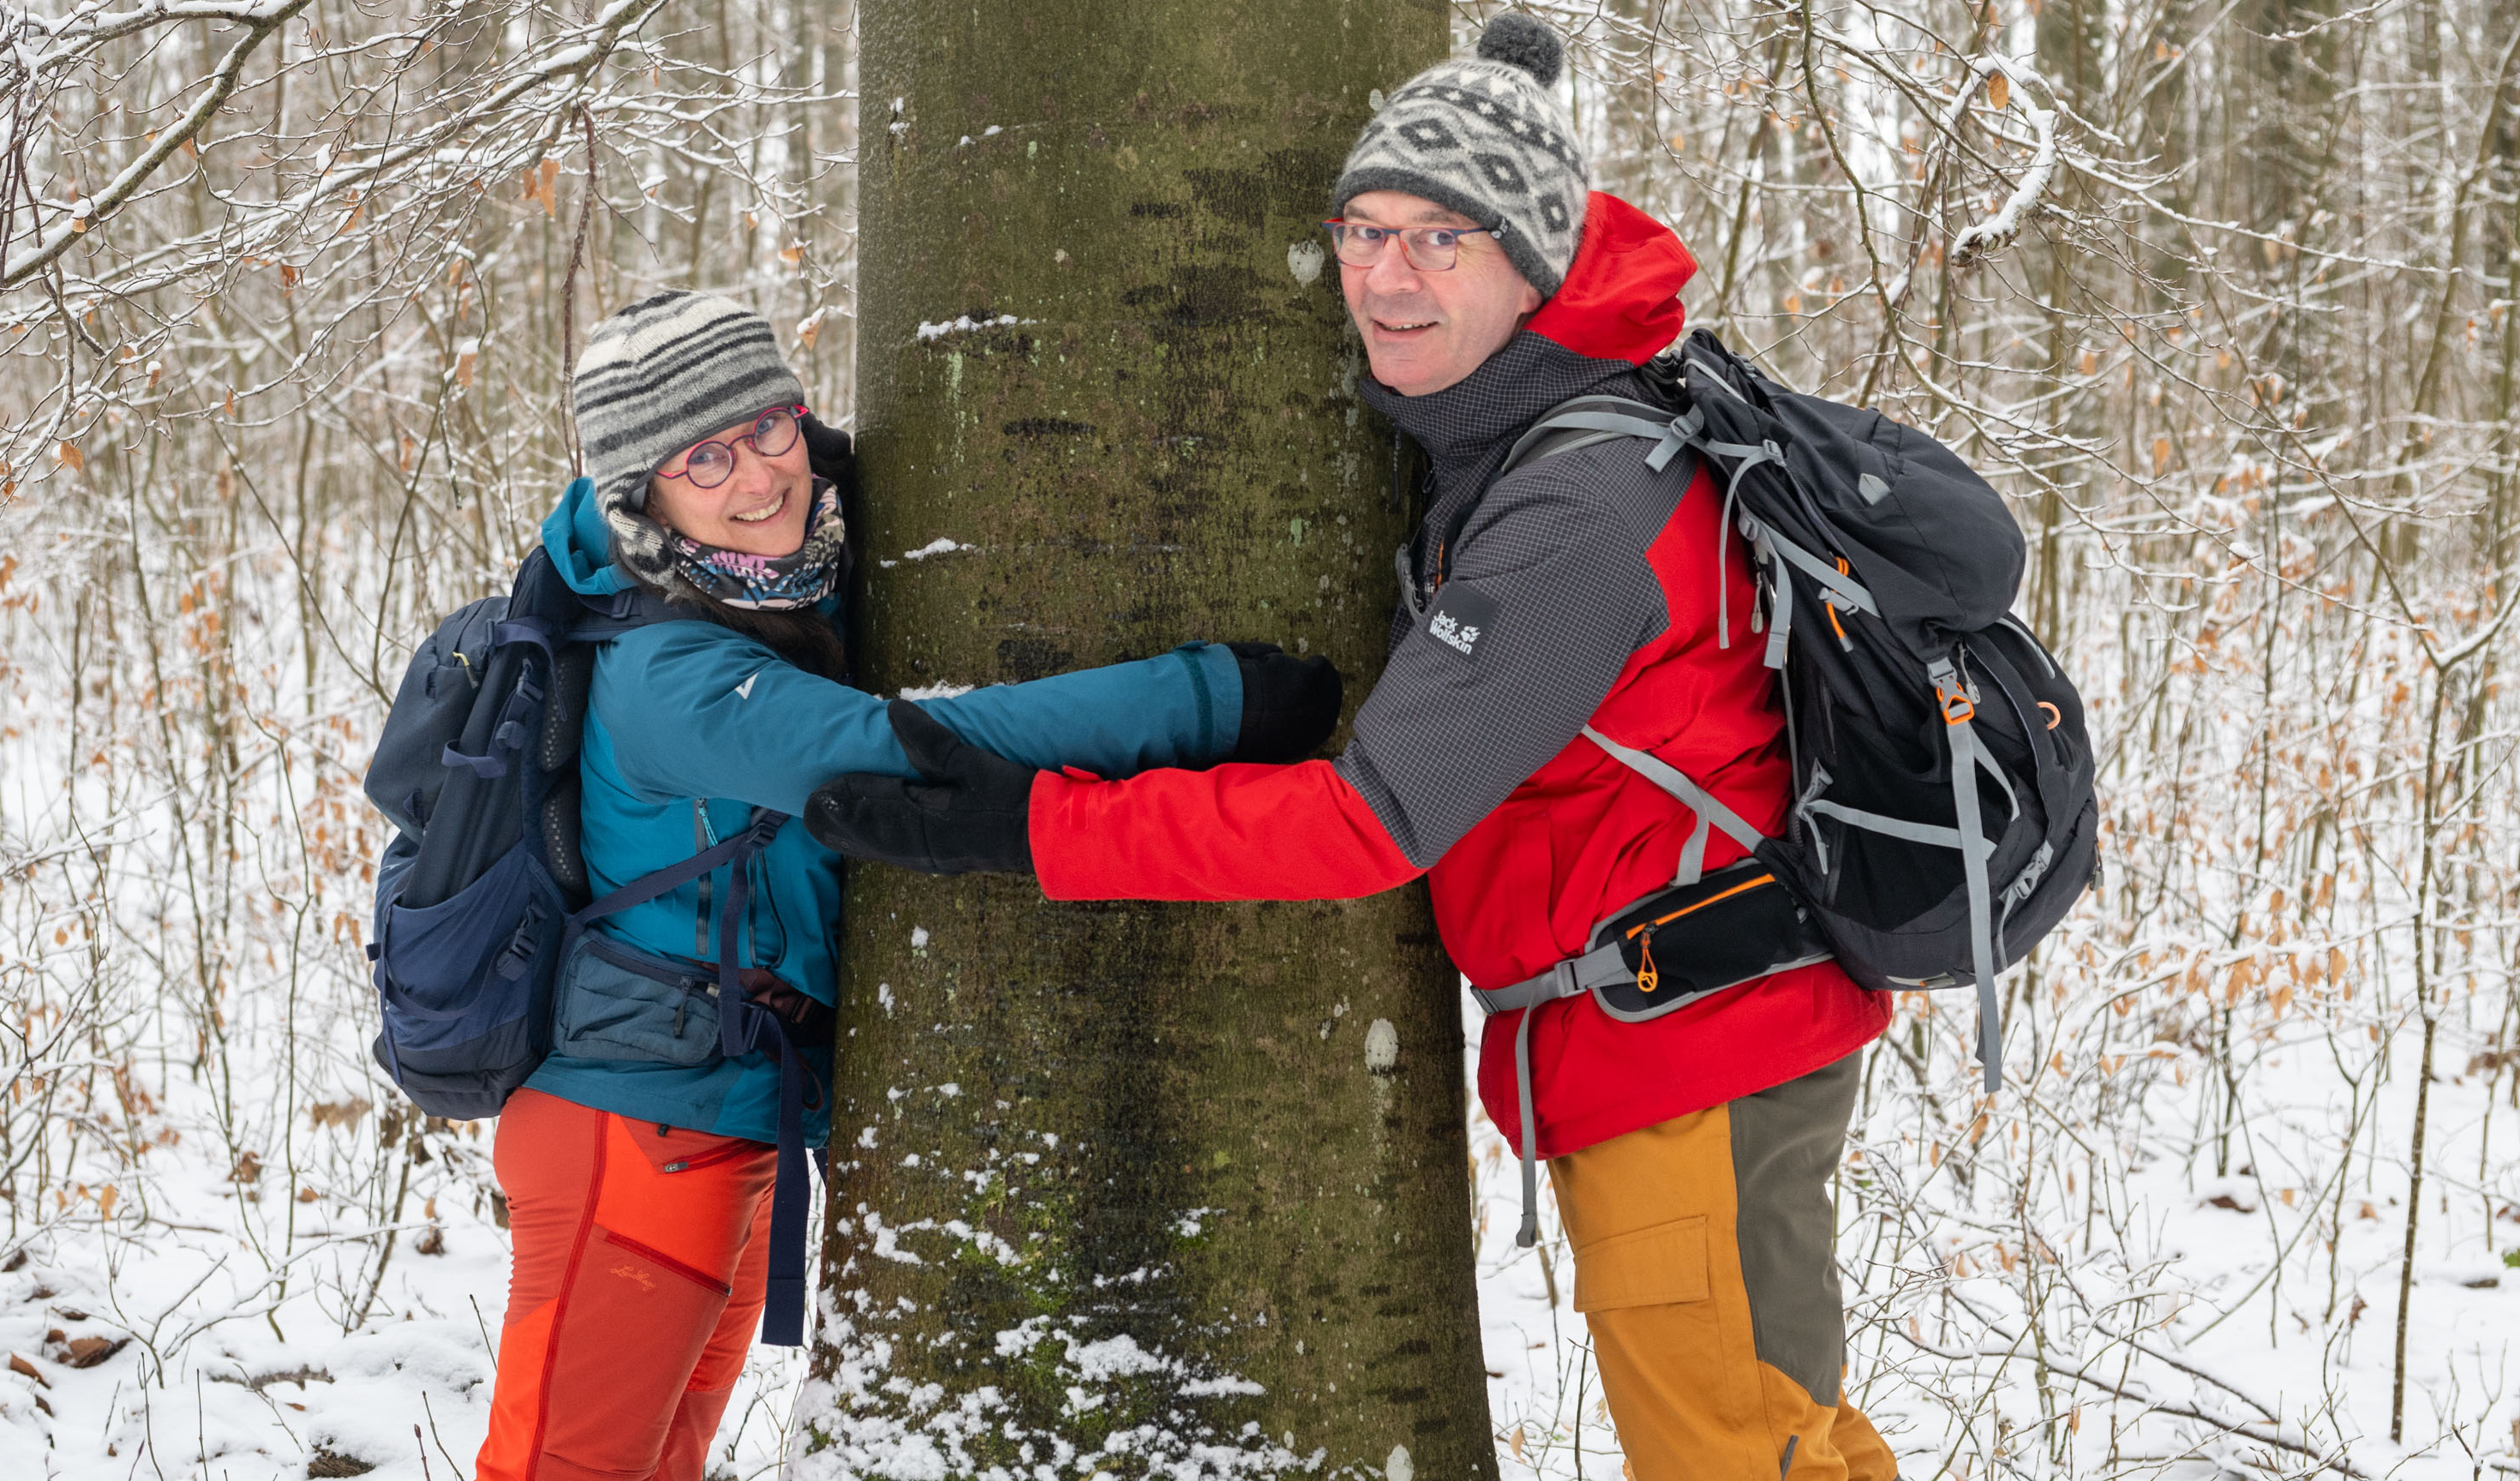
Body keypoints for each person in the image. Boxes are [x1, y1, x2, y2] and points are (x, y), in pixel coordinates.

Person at [804, 17, 1901, 1481]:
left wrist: (1036, 823)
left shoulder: (1576, 513)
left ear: (1535, 262)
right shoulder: (1547, 433)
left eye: (1442, 239)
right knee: (1783, 1442)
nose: (1386, 278)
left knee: (1743, 1457)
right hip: (1687, 1038)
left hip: (1696, 1060)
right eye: (1364, 230)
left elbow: (1366, 824)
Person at [471, 289, 1339, 1481]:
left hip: (723, 1124)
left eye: (771, 428)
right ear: (645, 497)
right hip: (629, 1130)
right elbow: (903, 744)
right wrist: (1209, 701)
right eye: (705, 459)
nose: (759, 478)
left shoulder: (775, 583)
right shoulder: (663, 669)